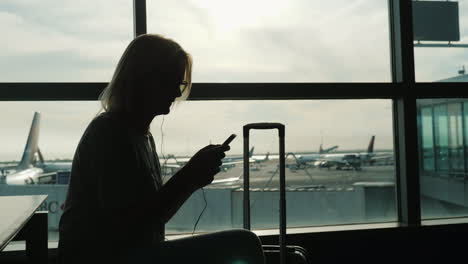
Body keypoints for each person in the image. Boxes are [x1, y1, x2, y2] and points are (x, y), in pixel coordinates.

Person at [57, 34, 264, 264]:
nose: (177, 92)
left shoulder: (134, 135)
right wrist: (189, 178)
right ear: (145, 80)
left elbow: (146, 219)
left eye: (180, 84)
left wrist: (191, 179)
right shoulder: (111, 134)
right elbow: (130, 225)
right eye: (172, 81)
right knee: (243, 245)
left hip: (120, 253)